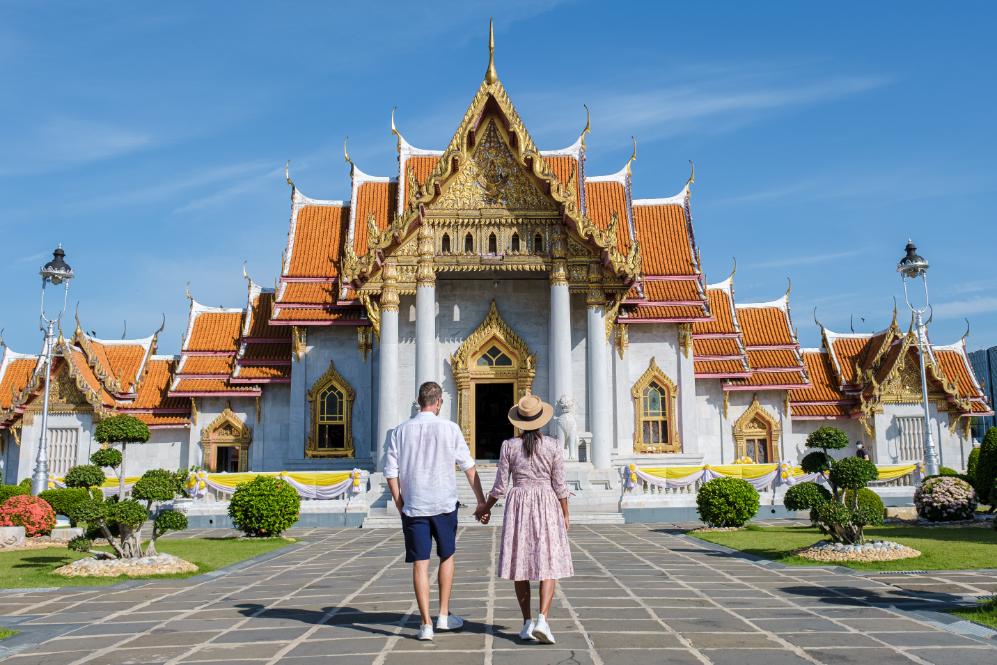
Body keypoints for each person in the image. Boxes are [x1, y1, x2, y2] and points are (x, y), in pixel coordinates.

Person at [384, 381, 487, 642]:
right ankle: (442, 614)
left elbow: (391, 473)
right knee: (447, 556)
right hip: (443, 504)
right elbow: (469, 467)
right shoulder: (450, 428)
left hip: (414, 505)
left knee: (420, 563)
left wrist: (399, 503)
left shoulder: (401, 431)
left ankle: (426, 623)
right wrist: (481, 501)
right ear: (439, 402)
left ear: (420, 401)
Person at [475, 394, 573, 645]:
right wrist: (565, 512)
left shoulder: (509, 446)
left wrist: (485, 507)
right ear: (541, 420)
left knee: (521, 563)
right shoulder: (552, 445)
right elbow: (560, 485)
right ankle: (542, 619)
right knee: (547, 561)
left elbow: (499, 487)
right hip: (546, 503)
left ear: (519, 422)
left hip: (518, 503)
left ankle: (527, 621)